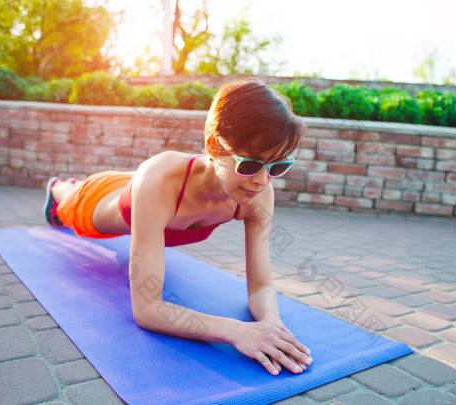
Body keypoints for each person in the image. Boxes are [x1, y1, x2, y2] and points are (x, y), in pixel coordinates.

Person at [42, 79, 312, 376]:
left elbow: (261, 285)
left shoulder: (257, 194)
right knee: (69, 198)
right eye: (249, 165)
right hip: (101, 201)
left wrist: (271, 324)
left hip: (149, 190)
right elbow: (147, 309)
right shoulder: (160, 180)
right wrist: (236, 331)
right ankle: (58, 186)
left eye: (277, 167)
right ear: (213, 144)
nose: (262, 181)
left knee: (144, 184)